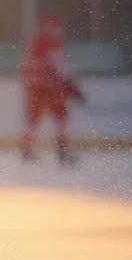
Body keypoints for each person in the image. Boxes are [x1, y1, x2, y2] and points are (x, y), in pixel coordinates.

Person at [19, 15, 84, 163]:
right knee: (61, 119)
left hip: (35, 88)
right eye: (56, 27)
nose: (58, 31)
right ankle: (62, 152)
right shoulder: (52, 45)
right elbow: (58, 70)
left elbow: (27, 70)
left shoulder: (35, 45)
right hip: (50, 89)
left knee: (33, 120)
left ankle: (27, 151)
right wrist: (70, 87)